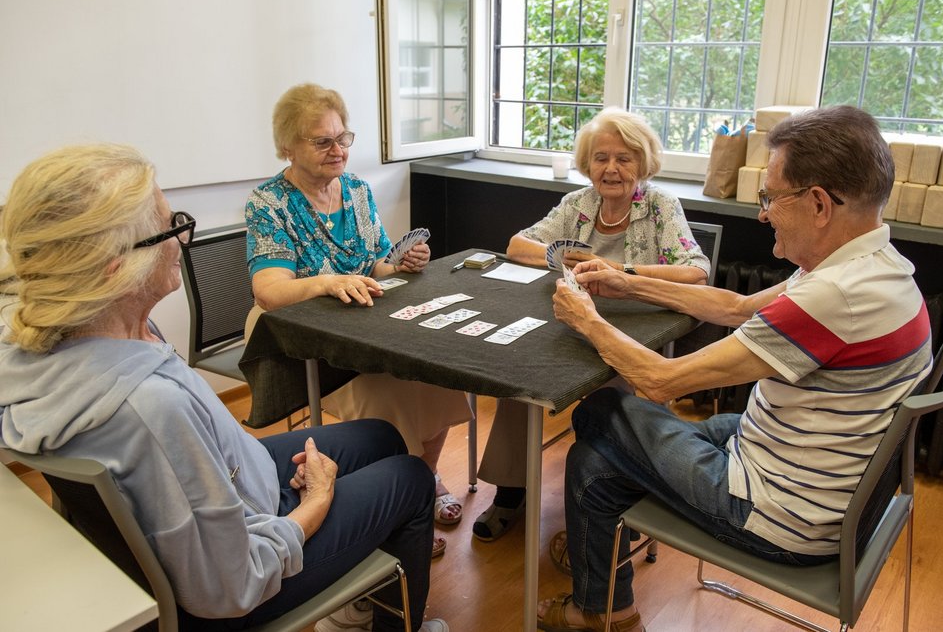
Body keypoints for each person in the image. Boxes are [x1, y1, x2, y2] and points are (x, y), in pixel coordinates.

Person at [0, 144, 447, 632]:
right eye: (172, 227)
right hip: (242, 576)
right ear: (116, 268)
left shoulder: (37, 332)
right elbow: (232, 587)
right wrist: (314, 504)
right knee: (412, 477)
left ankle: (359, 600)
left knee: (381, 436)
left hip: (234, 486)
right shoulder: (150, 408)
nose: (181, 242)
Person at [535, 105, 933, 632]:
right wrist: (629, 281)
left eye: (771, 198)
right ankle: (607, 609)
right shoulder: (873, 267)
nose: (763, 213)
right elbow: (736, 308)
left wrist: (587, 320)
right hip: (809, 473)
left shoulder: (832, 296)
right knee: (596, 459)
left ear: (818, 204)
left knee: (603, 408)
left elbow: (660, 381)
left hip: (780, 515)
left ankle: (604, 605)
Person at [244, 83, 473, 556]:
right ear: (288, 146)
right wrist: (326, 281)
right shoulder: (269, 203)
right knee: (385, 390)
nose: (339, 150)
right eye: (322, 141)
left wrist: (403, 263)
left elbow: (377, 267)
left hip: (360, 320)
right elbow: (269, 292)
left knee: (433, 374)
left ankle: (423, 480)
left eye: (343, 137)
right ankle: (396, 503)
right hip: (295, 333)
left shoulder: (357, 191)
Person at [473, 107, 710, 542]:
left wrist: (621, 273)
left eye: (624, 158)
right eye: (601, 158)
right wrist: (564, 257)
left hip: (633, 331)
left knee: (612, 399)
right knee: (518, 376)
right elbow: (517, 246)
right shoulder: (577, 204)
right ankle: (510, 489)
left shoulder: (661, 206)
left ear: (643, 162)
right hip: (568, 323)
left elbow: (696, 272)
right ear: (588, 164)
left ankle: (616, 497)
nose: (611, 168)